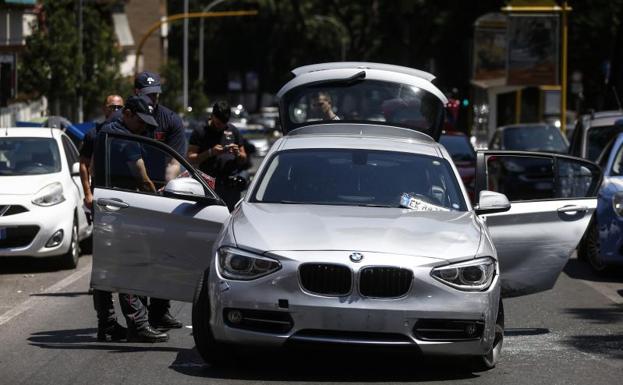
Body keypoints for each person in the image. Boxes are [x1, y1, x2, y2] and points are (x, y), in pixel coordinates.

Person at [97, 95, 168, 342]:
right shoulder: (125, 139)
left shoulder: (107, 130)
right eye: (140, 121)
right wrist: (159, 196)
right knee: (132, 265)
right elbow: (141, 177)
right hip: (123, 211)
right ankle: (138, 324)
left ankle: (106, 324)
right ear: (126, 113)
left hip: (107, 207)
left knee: (105, 269)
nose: (143, 128)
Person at [133, 71, 185, 330]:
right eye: (148, 94)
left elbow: (175, 160)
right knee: (139, 256)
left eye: (156, 94)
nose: (153, 99)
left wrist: (165, 187)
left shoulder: (170, 120)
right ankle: (140, 314)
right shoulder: (130, 120)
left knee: (164, 256)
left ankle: (160, 310)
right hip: (134, 195)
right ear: (137, 94)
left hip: (162, 194)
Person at [80, 94, 126, 342]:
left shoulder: (125, 133)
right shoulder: (95, 133)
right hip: (103, 201)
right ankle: (106, 321)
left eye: (120, 107)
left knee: (121, 258)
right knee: (105, 257)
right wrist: (88, 192)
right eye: (113, 107)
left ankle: (111, 322)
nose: (116, 110)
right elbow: (84, 164)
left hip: (126, 204)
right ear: (105, 109)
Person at [187, 100, 248, 211]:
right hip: (209, 186)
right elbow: (190, 158)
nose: (221, 127)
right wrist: (210, 152)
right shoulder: (200, 131)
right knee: (210, 217)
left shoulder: (233, 130)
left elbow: (243, 158)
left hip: (231, 187)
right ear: (212, 116)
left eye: (224, 124)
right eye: (219, 123)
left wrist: (237, 154)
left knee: (231, 217)